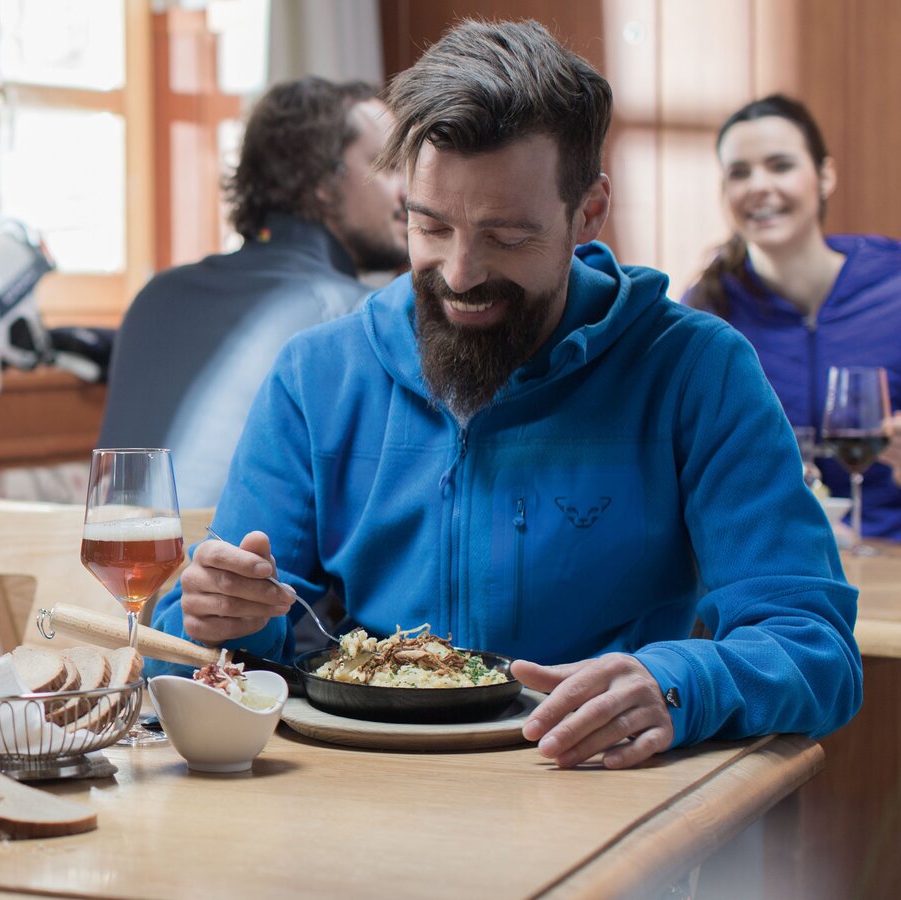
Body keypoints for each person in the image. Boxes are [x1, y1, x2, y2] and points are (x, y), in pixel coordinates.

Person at [148, 20, 861, 770]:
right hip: (359, 811)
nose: (459, 274)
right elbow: (181, 662)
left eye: (507, 238)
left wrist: (676, 682)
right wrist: (219, 620)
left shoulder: (696, 371)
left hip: (593, 798)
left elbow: (815, 648)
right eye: (430, 227)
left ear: (588, 212)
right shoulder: (316, 375)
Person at [98, 76, 406, 506]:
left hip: (118, 570)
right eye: (387, 166)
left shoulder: (156, 295)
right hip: (235, 568)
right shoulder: (357, 315)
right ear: (320, 182)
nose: (408, 192)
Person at [683, 95, 901, 537]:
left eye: (780, 165)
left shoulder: (893, 283)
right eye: (739, 173)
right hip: (765, 563)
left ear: (824, 176)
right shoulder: (706, 309)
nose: (759, 185)